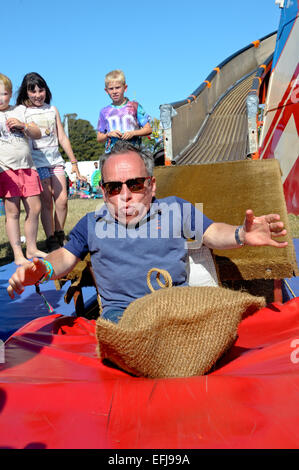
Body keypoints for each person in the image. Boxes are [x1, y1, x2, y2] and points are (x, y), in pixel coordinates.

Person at [7, 141, 288, 323]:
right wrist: (42, 268)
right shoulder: (92, 224)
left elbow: (213, 233)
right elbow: (65, 259)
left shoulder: (175, 210)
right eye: (114, 187)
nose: (125, 195)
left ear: (152, 185)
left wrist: (241, 234)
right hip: (124, 317)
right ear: (104, 192)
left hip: (176, 307)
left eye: (136, 184)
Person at [16, 72, 85, 252]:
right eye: (33, 91)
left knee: (62, 200)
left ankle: (60, 231)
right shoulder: (22, 111)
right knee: (47, 201)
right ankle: (51, 238)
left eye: (41, 90)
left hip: (56, 161)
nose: (38, 95)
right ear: (26, 93)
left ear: (46, 90)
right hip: (37, 163)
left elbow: (62, 137)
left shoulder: (52, 110)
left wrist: (74, 161)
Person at [0, 73, 47, 265]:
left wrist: (23, 125)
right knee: (12, 212)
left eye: (3, 94)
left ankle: (32, 247)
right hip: (6, 169)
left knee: (35, 208)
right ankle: (18, 252)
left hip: (28, 167)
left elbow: (37, 133)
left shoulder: (21, 110)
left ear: (10, 94)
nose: (0, 98)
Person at [97, 70, 152, 153]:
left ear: (125, 88)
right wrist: (108, 134)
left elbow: (148, 129)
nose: (115, 91)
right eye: (111, 89)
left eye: (118, 87)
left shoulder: (135, 106)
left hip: (133, 152)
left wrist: (133, 133)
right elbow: (99, 138)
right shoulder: (104, 111)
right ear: (106, 91)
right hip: (112, 154)